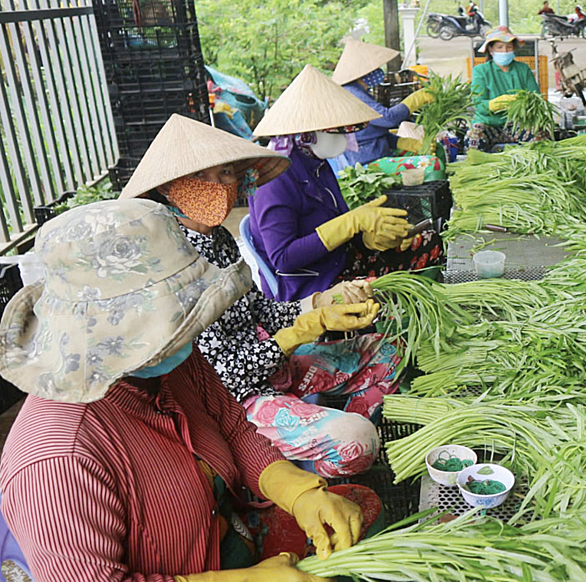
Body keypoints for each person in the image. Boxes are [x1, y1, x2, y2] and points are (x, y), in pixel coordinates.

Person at [0, 199, 369, 581]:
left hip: (229, 536)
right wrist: (242, 580)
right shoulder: (57, 460)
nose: (191, 334)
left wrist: (297, 490)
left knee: (356, 515)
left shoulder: (162, 365)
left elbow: (232, 427)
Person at [120, 115, 404, 478]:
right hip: (233, 402)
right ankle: (300, 477)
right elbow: (224, 376)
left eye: (225, 173)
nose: (217, 186)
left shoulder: (218, 238)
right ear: (168, 189)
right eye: (200, 177)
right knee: (357, 440)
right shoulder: (169, 263)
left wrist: (320, 304)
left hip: (271, 370)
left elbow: (260, 310)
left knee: (390, 351)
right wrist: (298, 333)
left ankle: (324, 446)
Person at [250, 65, 442, 302]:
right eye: (337, 131)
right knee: (390, 295)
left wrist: (371, 240)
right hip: (312, 286)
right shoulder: (274, 179)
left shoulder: (317, 164)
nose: (345, 137)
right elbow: (283, 258)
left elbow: (341, 227)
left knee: (427, 240)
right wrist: (351, 222)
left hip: (340, 260)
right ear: (308, 134)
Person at [331, 39, 433, 166]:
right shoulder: (353, 94)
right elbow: (388, 118)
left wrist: (406, 143)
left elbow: (371, 132)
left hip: (373, 152)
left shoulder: (357, 90)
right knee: (432, 163)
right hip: (368, 161)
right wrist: (417, 99)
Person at [467, 26, 544, 151]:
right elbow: (478, 105)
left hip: (518, 124)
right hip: (489, 123)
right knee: (474, 137)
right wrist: (496, 104)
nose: (505, 51)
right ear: (490, 50)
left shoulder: (523, 69)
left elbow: (536, 99)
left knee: (539, 136)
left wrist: (521, 103)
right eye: (499, 47)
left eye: (509, 47)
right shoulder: (481, 71)